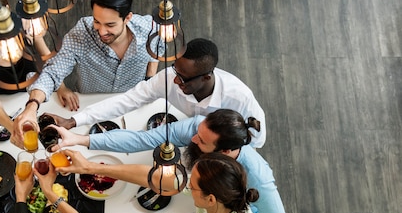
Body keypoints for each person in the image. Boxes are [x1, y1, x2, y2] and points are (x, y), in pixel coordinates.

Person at [52, 109, 287, 213]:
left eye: (201, 141)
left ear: (225, 152)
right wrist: (80, 140)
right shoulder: (198, 129)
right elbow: (143, 139)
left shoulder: (257, 176)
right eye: (197, 132)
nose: (192, 139)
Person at [11, 0, 159, 145]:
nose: (102, 31)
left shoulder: (151, 29)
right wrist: (32, 106)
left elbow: (157, 52)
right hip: (89, 101)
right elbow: (53, 72)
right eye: (97, 21)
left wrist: (149, 80)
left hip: (132, 101)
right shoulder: (82, 33)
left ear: (127, 18)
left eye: (110, 25)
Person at [50, 38, 267, 148]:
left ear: (206, 78)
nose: (174, 80)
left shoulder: (240, 98)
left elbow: (257, 141)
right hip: (190, 134)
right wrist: (74, 120)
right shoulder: (170, 78)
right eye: (175, 70)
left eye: (183, 78)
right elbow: (127, 101)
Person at [0, 0, 71, 132]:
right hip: (4, 100)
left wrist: (62, 87)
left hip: (34, 90)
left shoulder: (25, 25)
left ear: (7, 10)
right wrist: (14, 129)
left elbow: (46, 56)